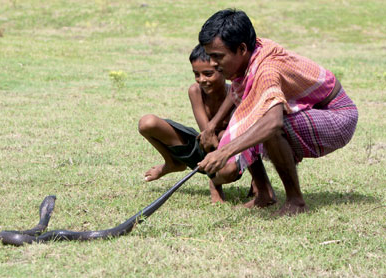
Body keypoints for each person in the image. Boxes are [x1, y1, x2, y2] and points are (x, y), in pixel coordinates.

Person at [196, 9, 358, 215]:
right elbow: (241, 91)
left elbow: (273, 123)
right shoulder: (253, 53)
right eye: (210, 56)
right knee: (251, 116)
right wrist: (212, 125)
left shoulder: (266, 70)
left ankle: (296, 201)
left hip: (338, 115)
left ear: (242, 48)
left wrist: (225, 151)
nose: (213, 64)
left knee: (266, 124)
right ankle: (264, 193)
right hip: (315, 109)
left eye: (218, 57)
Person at [138, 44, 240, 203]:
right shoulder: (195, 91)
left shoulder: (235, 93)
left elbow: (236, 136)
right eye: (196, 74)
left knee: (229, 171)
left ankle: (215, 182)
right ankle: (172, 163)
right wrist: (212, 134)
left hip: (228, 153)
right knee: (147, 123)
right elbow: (207, 134)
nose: (202, 80)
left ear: (223, 71)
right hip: (204, 146)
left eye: (208, 74)